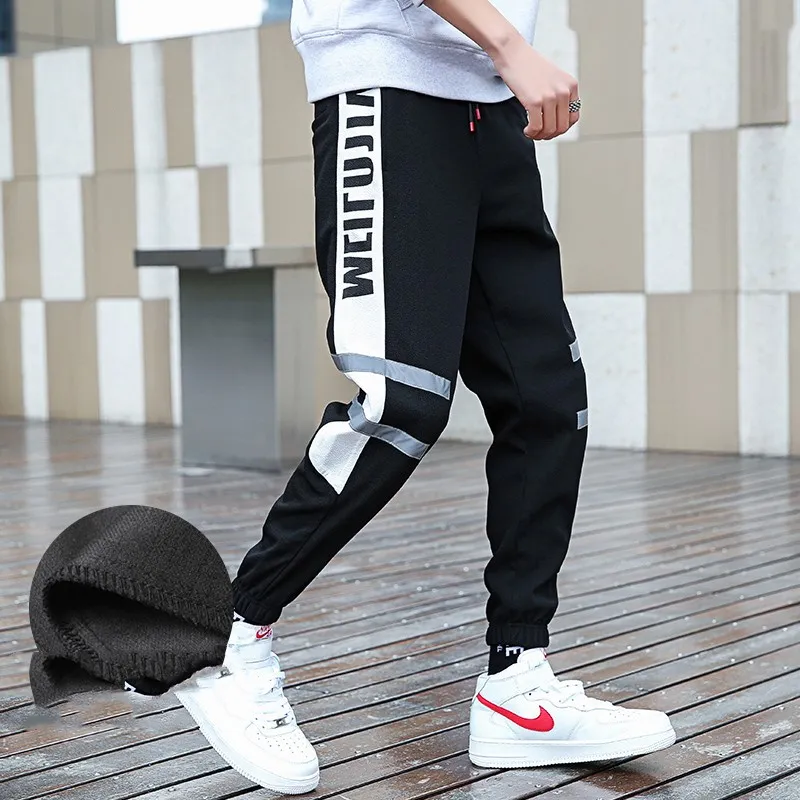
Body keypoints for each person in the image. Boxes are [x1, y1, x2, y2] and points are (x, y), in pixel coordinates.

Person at [174, 0, 677, 793]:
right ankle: (231, 636)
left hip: (492, 111)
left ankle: (516, 679)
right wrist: (508, 45)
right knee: (401, 402)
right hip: (388, 87)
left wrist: (505, 61)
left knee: (546, 401)